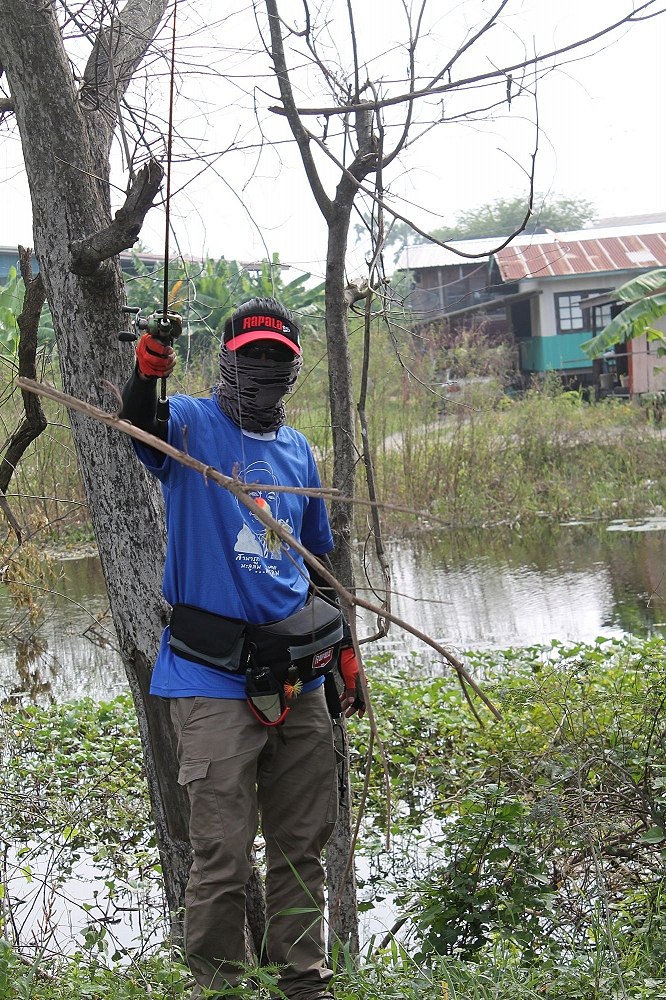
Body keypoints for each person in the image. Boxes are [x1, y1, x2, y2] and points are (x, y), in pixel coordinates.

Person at [120, 297, 364, 1000]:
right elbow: (139, 421)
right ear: (226, 359)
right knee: (222, 856)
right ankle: (220, 987)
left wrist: (345, 652)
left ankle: (303, 985)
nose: (262, 368)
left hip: (299, 682)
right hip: (210, 679)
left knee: (301, 850)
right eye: (250, 355)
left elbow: (318, 568)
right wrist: (146, 369)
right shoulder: (191, 425)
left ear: (291, 370)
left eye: (276, 359)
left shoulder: (300, 453)